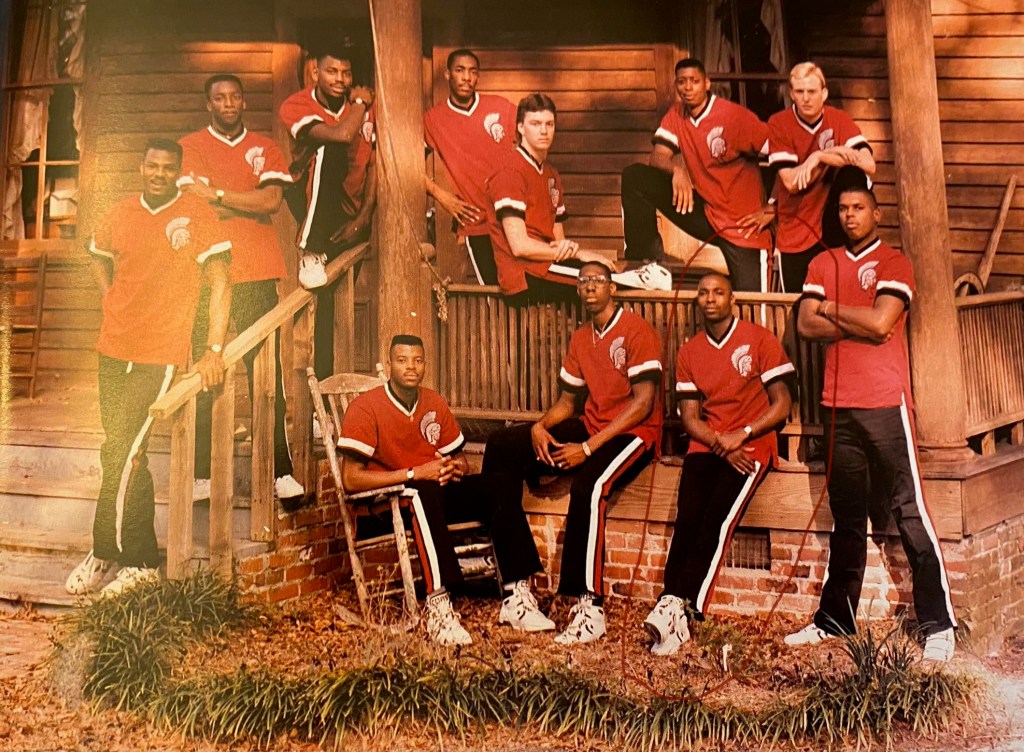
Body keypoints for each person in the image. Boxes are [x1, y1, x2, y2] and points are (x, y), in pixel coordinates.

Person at [787, 186, 957, 662]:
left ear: (876, 213)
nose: (849, 216)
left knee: (910, 508)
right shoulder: (824, 263)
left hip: (885, 402)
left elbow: (883, 324)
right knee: (846, 517)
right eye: (842, 209)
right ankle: (834, 620)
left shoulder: (893, 263)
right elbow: (804, 324)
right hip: (837, 406)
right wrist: (854, 317)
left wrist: (833, 309)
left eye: (858, 208)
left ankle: (939, 624)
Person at [66, 139, 232, 596]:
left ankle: (115, 555)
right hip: (113, 347)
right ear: (142, 168)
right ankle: (135, 558)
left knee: (125, 448)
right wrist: (110, 297)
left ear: (177, 172)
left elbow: (220, 284)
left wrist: (213, 347)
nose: (158, 174)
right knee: (118, 450)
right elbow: (96, 252)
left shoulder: (197, 214)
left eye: (167, 168)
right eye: (151, 166)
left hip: (160, 351)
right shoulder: (121, 212)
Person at [482, 259, 663, 644]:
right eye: (583, 283)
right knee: (502, 445)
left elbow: (644, 403)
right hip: (593, 425)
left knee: (589, 488)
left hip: (635, 433)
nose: (590, 288)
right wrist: (539, 427)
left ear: (611, 287)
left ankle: (590, 607)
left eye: (597, 281)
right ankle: (516, 587)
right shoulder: (582, 336)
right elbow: (569, 401)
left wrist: (587, 447)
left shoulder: (635, 329)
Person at [338, 334, 553, 646]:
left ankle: (516, 597)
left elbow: (459, 458)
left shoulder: (434, 402)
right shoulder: (366, 407)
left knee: (499, 484)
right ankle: (438, 604)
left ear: (425, 365)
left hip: (434, 496)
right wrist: (414, 473)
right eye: (402, 360)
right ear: (388, 366)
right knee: (419, 491)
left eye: (417, 360)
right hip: (386, 506)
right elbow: (351, 479)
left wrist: (457, 468)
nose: (410, 367)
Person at [644, 272, 794, 655]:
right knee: (689, 514)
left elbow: (782, 405)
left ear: (732, 300)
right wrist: (720, 442)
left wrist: (740, 435)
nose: (710, 299)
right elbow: (691, 419)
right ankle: (670, 601)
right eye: (703, 293)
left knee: (717, 518)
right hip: (709, 445)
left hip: (752, 447)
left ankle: (687, 608)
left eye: (718, 292)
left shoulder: (758, 339)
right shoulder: (690, 351)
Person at [179, 73, 304, 503]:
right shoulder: (190, 146)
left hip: (257, 268)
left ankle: (279, 471)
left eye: (235, 97)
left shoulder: (264, 146)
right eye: (219, 98)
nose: (228, 104)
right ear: (208, 104)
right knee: (205, 367)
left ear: (243, 102)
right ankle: (201, 476)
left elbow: (270, 201)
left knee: (265, 374)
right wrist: (235, 197)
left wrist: (215, 193)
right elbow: (189, 199)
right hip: (208, 270)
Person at [620, 58, 771, 292]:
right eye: (682, 82)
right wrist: (676, 171)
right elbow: (657, 156)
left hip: (744, 227)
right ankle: (648, 266)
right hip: (706, 213)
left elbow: (785, 156)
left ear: (707, 83)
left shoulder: (734, 117)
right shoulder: (677, 114)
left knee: (753, 309)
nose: (688, 88)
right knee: (635, 177)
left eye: (694, 81)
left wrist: (773, 207)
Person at [279, 49, 377, 379]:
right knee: (329, 148)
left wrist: (363, 219)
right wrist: (361, 103)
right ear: (315, 73)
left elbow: (376, 164)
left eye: (346, 73)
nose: (340, 79)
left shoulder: (365, 112)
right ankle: (310, 247)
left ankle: (327, 398)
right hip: (311, 204)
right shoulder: (297, 105)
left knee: (330, 309)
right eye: (331, 71)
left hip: (350, 216)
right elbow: (341, 135)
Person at [484, 93, 618, 302]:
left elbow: (559, 240)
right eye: (535, 124)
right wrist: (579, 254)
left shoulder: (551, 175)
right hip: (523, 275)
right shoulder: (510, 171)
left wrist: (572, 252)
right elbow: (519, 246)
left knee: (606, 276)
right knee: (601, 284)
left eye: (550, 124)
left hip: (547, 266)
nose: (544, 131)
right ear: (520, 127)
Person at [767, 62, 875, 293]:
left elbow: (868, 164)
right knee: (800, 309)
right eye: (799, 92)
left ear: (824, 93)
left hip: (830, 228)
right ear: (791, 94)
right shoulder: (779, 123)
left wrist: (820, 156)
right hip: (796, 227)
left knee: (853, 173)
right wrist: (824, 156)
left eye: (812, 92)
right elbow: (792, 183)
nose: (806, 98)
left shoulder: (838, 119)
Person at [424, 48, 517, 285]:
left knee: (523, 289)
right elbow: (408, 166)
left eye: (472, 72)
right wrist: (441, 196)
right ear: (447, 75)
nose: (466, 78)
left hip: (513, 215)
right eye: (460, 70)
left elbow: (531, 148)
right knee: (493, 294)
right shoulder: (433, 119)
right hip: (477, 222)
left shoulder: (501, 108)